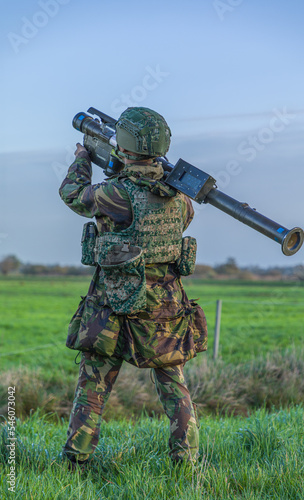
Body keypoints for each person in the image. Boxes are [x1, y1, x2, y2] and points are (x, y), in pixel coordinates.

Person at [59, 106, 208, 469]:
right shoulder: (182, 198)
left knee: (94, 384)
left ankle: (76, 462)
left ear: (124, 145)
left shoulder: (117, 193)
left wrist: (82, 158)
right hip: (166, 307)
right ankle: (186, 463)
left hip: (114, 303)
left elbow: (73, 194)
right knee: (174, 385)